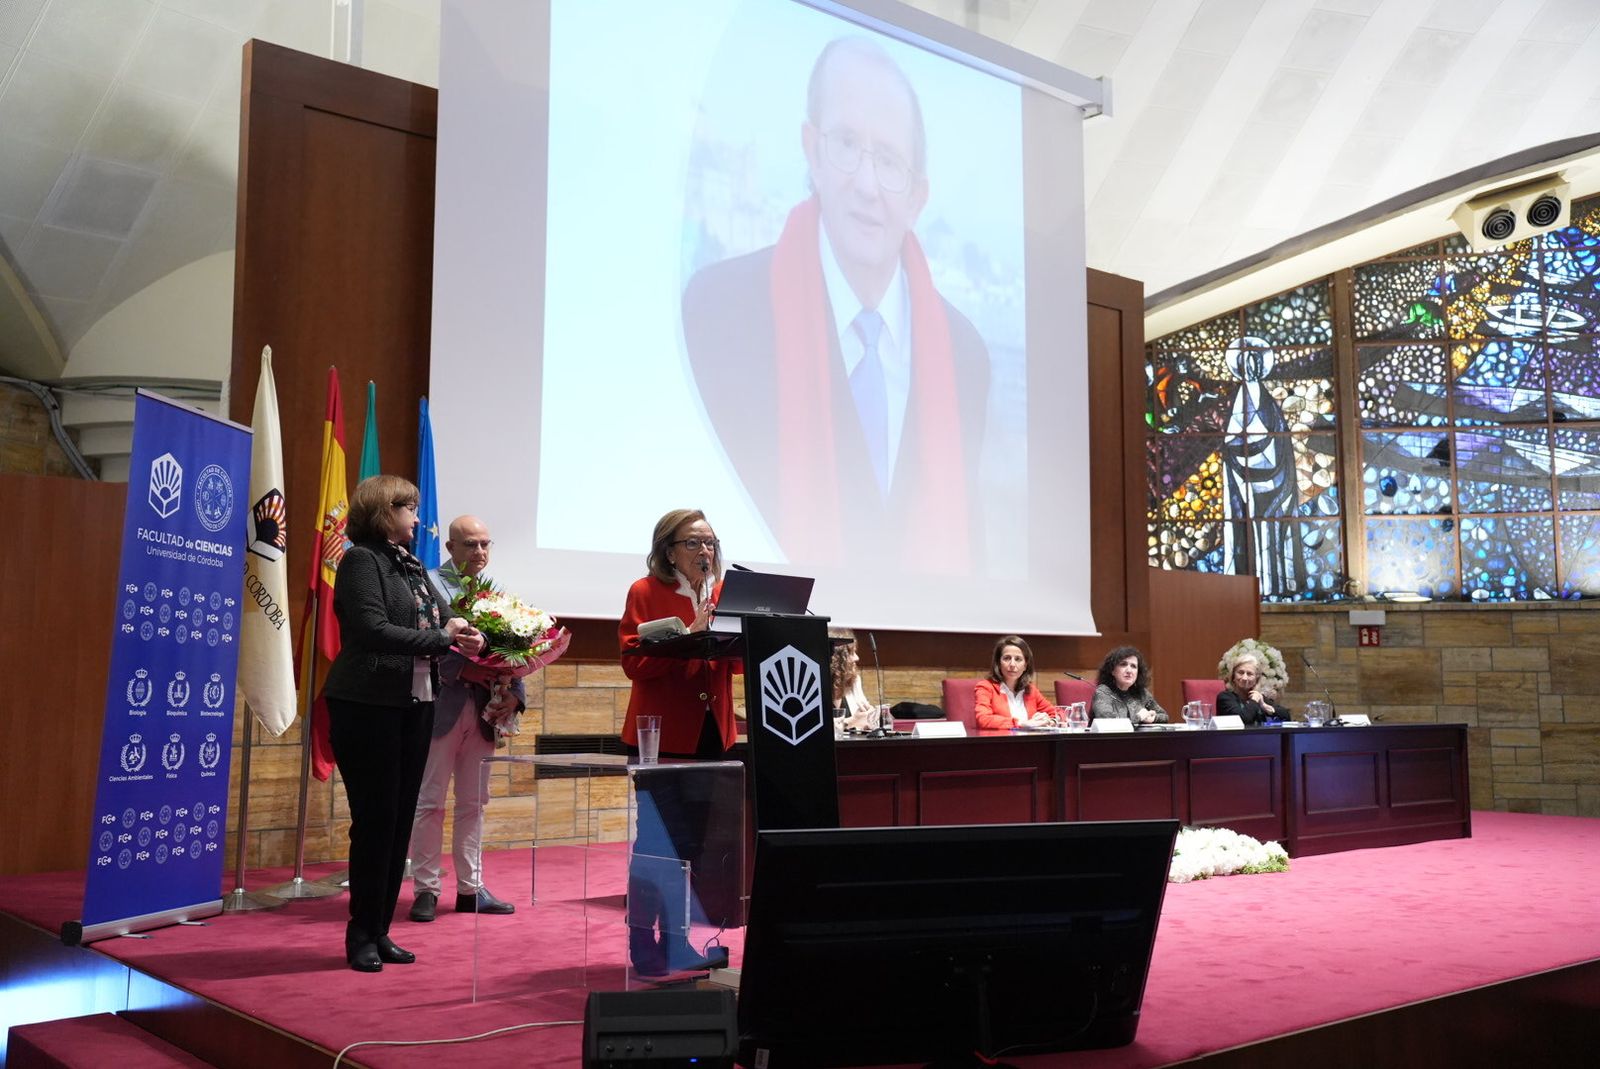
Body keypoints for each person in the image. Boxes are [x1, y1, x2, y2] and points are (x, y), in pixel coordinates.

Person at [681, 36, 989, 572]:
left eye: (890, 161)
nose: (868, 185)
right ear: (812, 150)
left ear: (918, 196)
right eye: (847, 143)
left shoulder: (966, 354)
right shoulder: (717, 310)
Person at [322, 475, 484, 972]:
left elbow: (429, 625)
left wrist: (459, 631)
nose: (419, 518)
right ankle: (360, 934)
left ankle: (381, 929)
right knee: (375, 824)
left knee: (396, 828)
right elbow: (372, 630)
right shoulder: (360, 560)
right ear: (383, 512)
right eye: (410, 509)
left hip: (415, 704)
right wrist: (442, 638)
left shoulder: (410, 565)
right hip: (366, 704)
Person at [617, 509, 741, 977]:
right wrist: (690, 636)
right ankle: (643, 949)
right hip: (662, 737)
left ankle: (676, 944)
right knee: (657, 844)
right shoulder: (645, 592)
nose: (704, 551)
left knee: (690, 850)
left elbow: (735, 666)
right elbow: (635, 664)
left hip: (713, 737)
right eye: (693, 542)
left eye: (709, 542)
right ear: (669, 549)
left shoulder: (724, 594)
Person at [407, 515, 520, 923]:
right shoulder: (428, 585)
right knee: (430, 802)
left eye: (485, 544)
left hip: (485, 710)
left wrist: (513, 696)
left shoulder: (495, 593)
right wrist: (462, 670)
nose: (480, 552)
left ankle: (471, 888)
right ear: (450, 547)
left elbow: (514, 649)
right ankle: (425, 890)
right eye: (470, 544)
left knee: (475, 804)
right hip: (440, 707)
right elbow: (419, 645)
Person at [974, 635, 1056, 730]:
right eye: (1007, 658)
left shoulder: (1030, 690)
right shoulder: (986, 687)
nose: (1012, 664)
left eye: (1018, 659)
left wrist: (1051, 721)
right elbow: (983, 719)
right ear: (998, 663)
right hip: (1001, 742)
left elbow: (1057, 712)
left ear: (1025, 665)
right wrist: (1021, 723)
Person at [1092, 646, 1168, 725]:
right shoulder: (1103, 692)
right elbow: (1109, 722)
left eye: (1133, 666)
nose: (1129, 670)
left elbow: (1164, 716)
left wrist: (1152, 718)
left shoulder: (1142, 693)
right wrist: (1139, 717)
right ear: (1112, 670)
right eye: (1123, 664)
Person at [1216, 651, 1288, 726]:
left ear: (1256, 679)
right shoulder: (1225, 697)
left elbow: (1286, 716)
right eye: (1240, 672)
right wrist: (1254, 700)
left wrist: (1265, 707)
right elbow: (1244, 720)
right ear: (1233, 676)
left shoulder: (1259, 698)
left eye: (1249, 674)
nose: (1244, 678)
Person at [829, 627, 877, 730]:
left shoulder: (854, 681)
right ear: (835, 658)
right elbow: (813, 728)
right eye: (850, 653)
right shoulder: (815, 685)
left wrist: (870, 715)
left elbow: (862, 720)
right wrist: (851, 721)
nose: (857, 658)